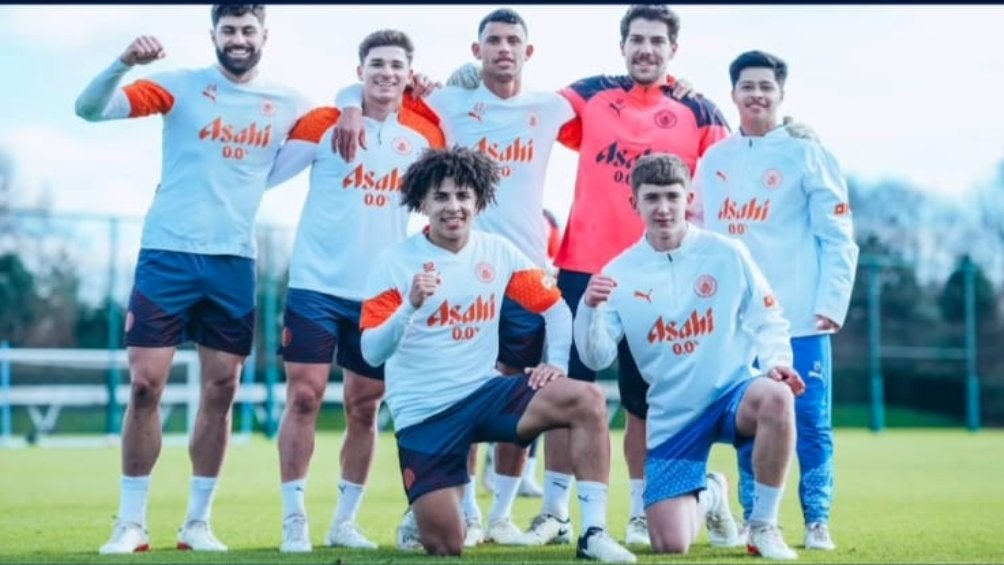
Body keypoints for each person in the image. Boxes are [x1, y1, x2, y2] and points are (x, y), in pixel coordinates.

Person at [333, 8, 582, 547]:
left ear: (528, 52)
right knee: (463, 384)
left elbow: (611, 110)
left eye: (513, 40)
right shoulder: (448, 101)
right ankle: (462, 506)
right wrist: (348, 103)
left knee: (520, 390)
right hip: (458, 268)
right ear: (476, 50)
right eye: (493, 40)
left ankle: (503, 514)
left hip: (522, 268)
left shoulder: (549, 106)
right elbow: (380, 91)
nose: (503, 49)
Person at [74, 4, 310, 554]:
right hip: (167, 254)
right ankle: (131, 524)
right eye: (228, 30)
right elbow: (88, 110)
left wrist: (358, 109)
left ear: (264, 35)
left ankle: (197, 524)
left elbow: (345, 124)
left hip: (233, 262)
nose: (238, 38)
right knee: (144, 385)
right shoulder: (178, 87)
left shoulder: (290, 103)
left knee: (222, 390)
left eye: (247, 29)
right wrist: (123, 62)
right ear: (213, 35)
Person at [359, 146, 636, 563]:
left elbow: (556, 308)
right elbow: (371, 351)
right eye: (441, 197)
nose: (453, 206)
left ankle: (593, 533)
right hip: (425, 413)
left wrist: (557, 365)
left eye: (463, 196)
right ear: (423, 203)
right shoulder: (395, 263)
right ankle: (426, 512)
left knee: (587, 399)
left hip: (484, 393)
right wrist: (409, 306)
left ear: (479, 200)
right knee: (447, 545)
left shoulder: (497, 251)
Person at [540, 5, 731, 546]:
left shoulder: (700, 110)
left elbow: (727, 180)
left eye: (657, 41)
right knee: (567, 393)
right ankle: (554, 513)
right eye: (637, 39)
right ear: (622, 45)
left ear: (674, 49)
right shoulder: (590, 95)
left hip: (660, 274)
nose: (646, 49)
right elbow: (523, 110)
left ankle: (643, 512)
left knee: (645, 404)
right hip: (583, 267)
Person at [263, 30, 444, 553]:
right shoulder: (324, 122)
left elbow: (451, 192)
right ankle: (294, 519)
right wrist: (346, 106)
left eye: (396, 66)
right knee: (304, 396)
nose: (386, 73)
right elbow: (264, 174)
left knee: (365, 406)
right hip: (315, 285)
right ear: (359, 70)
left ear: (408, 74)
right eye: (377, 64)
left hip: (380, 293)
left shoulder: (424, 133)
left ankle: (344, 521)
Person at [574, 152, 805, 560]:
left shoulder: (727, 253)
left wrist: (776, 363)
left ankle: (763, 526)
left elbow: (768, 317)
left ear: (689, 199)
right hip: (674, 416)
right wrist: (589, 309)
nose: (663, 208)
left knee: (777, 397)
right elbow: (596, 357)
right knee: (670, 544)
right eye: (652, 198)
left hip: (732, 393)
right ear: (635, 202)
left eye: (672, 196)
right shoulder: (619, 272)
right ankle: (713, 493)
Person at [690, 50, 859, 550]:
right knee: (751, 420)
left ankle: (817, 520)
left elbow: (838, 235)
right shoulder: (714, 159)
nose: (757, 95)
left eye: (766, 86)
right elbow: (700, 233)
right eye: (748, 86)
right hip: (738, 323)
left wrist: (832, 301)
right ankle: (755, 518)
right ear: (733, 93)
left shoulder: (809, 154)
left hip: (801, 315)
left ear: (781, 93)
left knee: (811, 421)